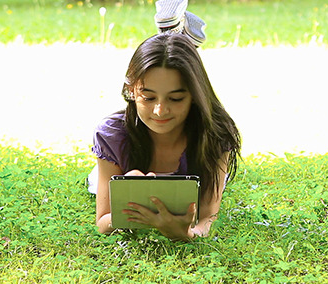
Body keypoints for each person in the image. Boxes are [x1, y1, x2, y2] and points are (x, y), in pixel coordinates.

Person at [91, 32, 241, 241]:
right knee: (95, 180)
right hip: (122, 162)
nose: (160, 111)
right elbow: (102, 222)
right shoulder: (113, 135)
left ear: (195, 96)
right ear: (131, 90)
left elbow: (207, 217)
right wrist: (128, 200)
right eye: (149, 97)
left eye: (176, 98)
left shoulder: (214, 134)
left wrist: (186, 234)